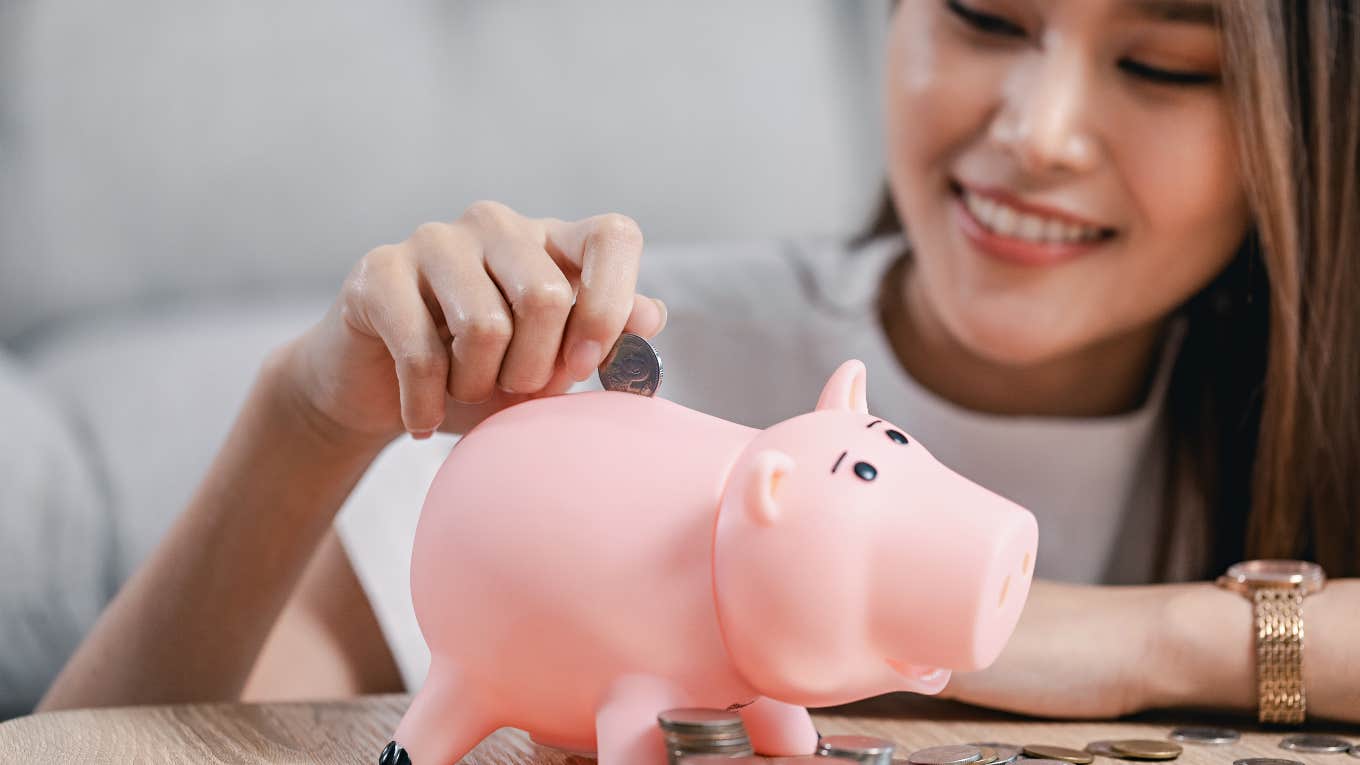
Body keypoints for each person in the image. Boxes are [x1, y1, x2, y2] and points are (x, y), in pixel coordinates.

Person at [40, 0, 1360, 726]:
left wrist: (1160, 635)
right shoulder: (638, 373)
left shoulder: (1310, 395)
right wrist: (306, 414)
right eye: (983, 16)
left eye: (1161, 64)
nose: (1041, 132)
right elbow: (106, 749)